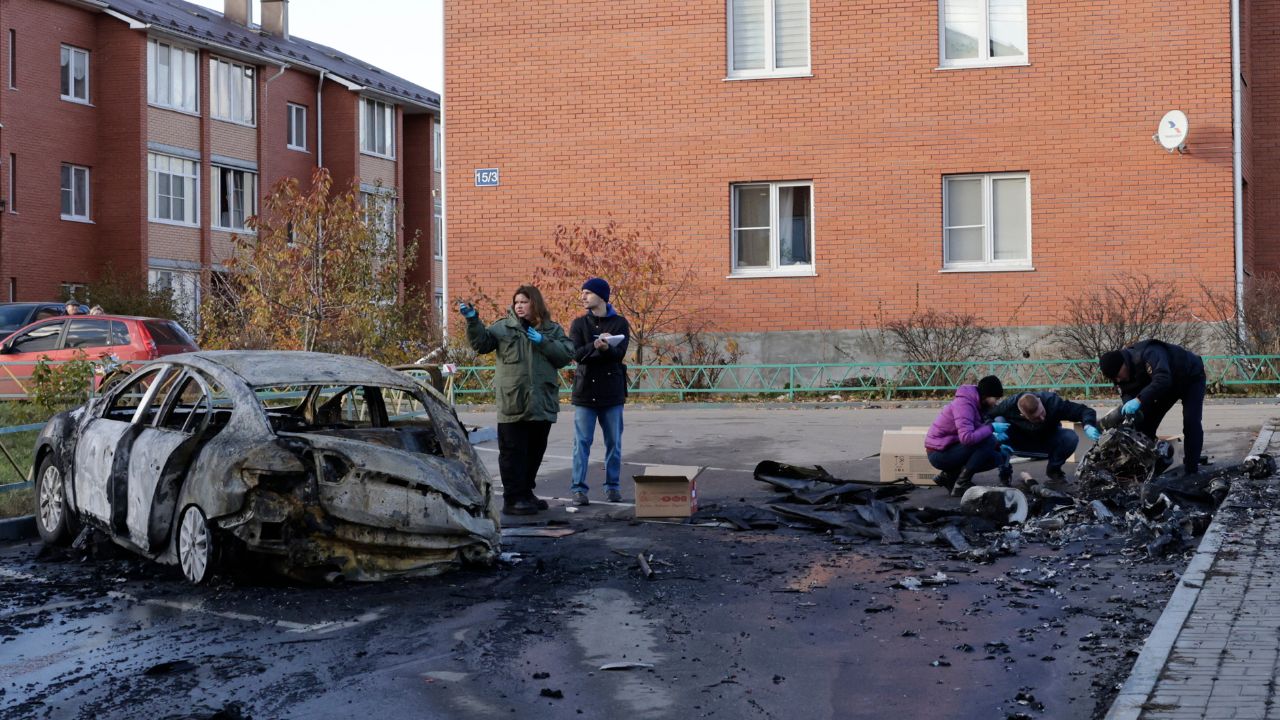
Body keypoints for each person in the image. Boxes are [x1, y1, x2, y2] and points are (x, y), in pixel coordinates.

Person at [460, 286, 574, 515]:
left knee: (534, 450)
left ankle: (526, 493)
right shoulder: (504, 327)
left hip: (541, 401)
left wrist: (543, 341)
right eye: (516, 302)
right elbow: (482, 344)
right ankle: (513, 499)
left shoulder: (552, 330)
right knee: (512, 452)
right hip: (513, 401)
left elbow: (565, 356)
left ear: (535, 304)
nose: (519, 306)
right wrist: (473, 321)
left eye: (524, 301)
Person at [1098, 340, 1206, 475]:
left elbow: (1162, 378)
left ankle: (1191, 469)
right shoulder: (1120, 377)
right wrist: (1134, 413)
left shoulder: (1149, 352)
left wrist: (1139, 400)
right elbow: (1127, 393)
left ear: (1124, 364)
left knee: (1191, 421)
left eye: (1118, 375)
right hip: (1167, 388)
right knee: (1144, 424)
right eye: (1114, 379)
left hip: (1190, 376)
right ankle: (1149, 468)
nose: (1118, 380)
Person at [567, 277, 630, 506]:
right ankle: (578, 489)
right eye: (582, 293)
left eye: (587, 293)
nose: (582, 297)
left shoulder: (620, 323)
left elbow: (619, 353)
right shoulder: (579, 324)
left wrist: (605, 349)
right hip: (585, 392)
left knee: (614, 442)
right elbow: (576, 354)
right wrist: (595, 346)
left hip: (612, 393)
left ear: (601, 296)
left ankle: (612, 486)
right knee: (581, 442)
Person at [985, 391, 1102, 486]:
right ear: (1022, 415)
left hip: (1045, 442)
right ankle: (1005, 473)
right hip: (1016, 444)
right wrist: (992, 429)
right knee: (999, 420)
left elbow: (1084, 411)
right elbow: (986, 415)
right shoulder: (1009, 405)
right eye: (1036, 418)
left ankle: (1054, 470)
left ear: (1040, 401)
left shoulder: (1053, 403)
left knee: (1070, 437)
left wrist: (1088, 425)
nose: (1041, 418)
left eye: (1042, 413)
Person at [925, 375, 1009, 497]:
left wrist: (998, 445)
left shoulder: (976, 403)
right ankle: (962, 483)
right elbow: (967, 438)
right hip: (938, 453)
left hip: (952, 448)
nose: (996, 402)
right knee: (989, 440)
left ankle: (950, 477)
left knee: (998, 456)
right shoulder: (964, 404)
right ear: (986, 395)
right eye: (995, 398)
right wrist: (992, 429)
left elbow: (976, 430)